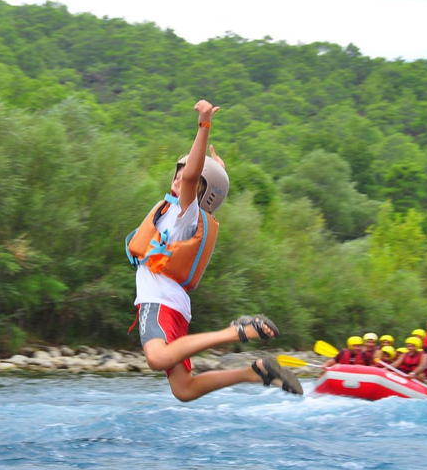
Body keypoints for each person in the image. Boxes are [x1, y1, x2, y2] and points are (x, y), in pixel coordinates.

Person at [126, 100, 302, 401]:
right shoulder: (176, 213)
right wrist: (216, 172)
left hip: (158, 302)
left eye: (188, 177)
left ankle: (237, 332)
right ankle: (255, 371)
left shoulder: (185, 214)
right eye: (176, 174)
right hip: (172, 306)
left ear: (200, 192)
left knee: (156, 358)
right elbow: (197, 177)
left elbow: (194, 177)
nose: (180, 177)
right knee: (184, 390)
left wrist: (204, 125)